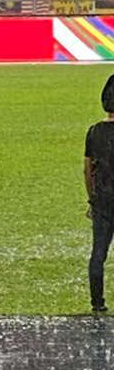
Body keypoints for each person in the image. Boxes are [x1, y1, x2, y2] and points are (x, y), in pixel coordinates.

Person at [86, 77, 114, 313]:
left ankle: (97, 302)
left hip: (102, 200)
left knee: (98, 253)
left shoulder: (94, 132)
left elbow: (87, 168)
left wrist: (91, 198)